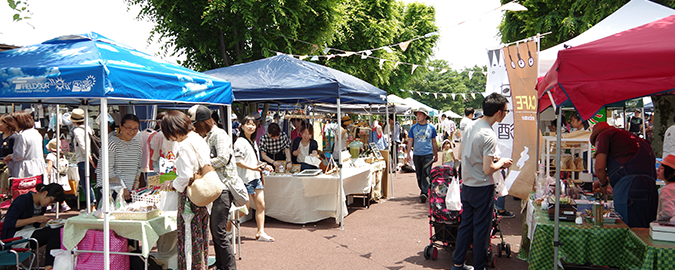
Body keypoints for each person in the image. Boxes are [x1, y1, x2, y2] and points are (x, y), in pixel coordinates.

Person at [452, 93, 513, 270]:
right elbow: (488, 169)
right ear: (499, 112)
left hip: (468, 184)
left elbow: (463, 153)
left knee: (465, 225)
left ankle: (457, 263)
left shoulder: (471, 126)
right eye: (506, 111)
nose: (506, 114)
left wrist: (489, 159)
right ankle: (479, 265)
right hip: (482, 186)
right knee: (481, 230)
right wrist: (501, 163)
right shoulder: (489, 134)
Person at [159, 110, 211, 269]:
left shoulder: (184, 145)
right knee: (200, 240)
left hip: (190, 200)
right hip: (202, 196)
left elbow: (185, 175)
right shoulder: (198, 139)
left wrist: (173, 184)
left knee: (189, 241)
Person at [188, 105, 238, 270]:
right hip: (215, 187)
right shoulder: (208, 136)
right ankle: (221, 264)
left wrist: (203, 167)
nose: (195, 128)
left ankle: (230, 267)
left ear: (204, 122)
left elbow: (223, 158)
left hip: (223, 188)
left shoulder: (219, 134)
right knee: (215, 231)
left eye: (196, 124)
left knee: (219, 232)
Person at [592, 121, 657, 228]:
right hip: (650, 187)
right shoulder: (631, 137)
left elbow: (599, 167)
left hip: (631, 186)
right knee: (644, 232)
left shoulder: (603, 135)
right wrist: (606, 179)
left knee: (628, 230)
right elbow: (631, 165)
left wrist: (603, 184)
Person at [2, 183, 66, 270]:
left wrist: (48, 223)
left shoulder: (41, 206)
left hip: (30, 232)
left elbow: (36, 225)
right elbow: (9, 223)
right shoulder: (23, 200)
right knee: (56, 233)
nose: (50, 204)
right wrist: (35, 219)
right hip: (16, 237)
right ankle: (49, 265)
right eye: (51, 201)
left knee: (60, 230)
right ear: (44, 193)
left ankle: (50, 265)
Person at [234, 115, 275, 242]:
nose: (251, 126)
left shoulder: (252, 141)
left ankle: (260, 232)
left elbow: (255, 160)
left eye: (253, 124)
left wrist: (264, 165)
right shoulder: (240, 142)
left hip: (255, 177)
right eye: (248, 124)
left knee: (261, 205)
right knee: (244, 208)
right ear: (242, 126)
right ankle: (227, 226)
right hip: (245, 179)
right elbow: (237, 161)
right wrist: (253, 168)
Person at [96, 114, 142, 202]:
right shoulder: (111, 143)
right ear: (120, 126)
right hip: (110, 191)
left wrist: (136, 182)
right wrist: (122, 188)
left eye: (135, 128)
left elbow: (138, 167)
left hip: (129, 191)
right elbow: (107, 169)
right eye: (128, 127)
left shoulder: (137, 145)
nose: (132, 131)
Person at [406, 107, 438, 203]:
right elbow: (410, 140)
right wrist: (408, 153)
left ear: (425, 116)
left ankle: (424, 193)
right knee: (419, 174)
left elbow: (434, 142)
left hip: (428, 154)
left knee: (426, 172)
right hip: (417, 154)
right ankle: (424, 188)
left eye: (420, 114)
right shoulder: (413, 128)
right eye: (417, 114)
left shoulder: (431, 128)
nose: (418, 116)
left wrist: (435, 154)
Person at [3, 111, 46, 179]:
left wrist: (10, 156)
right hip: (38, 167)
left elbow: (19, 155)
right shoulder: (36, 132)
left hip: (25, 169)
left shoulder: (22, 136)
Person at [70, 108, 96, 209]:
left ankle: (91, 205)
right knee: (88, 184)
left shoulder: (77, 131)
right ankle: (92, 204)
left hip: (84, 160)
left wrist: (88, 157)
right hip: (91, 159)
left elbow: (82, 146)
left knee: (85, 185)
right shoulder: (88, 128)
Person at [44, 139, 72, 211]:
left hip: (54, 175)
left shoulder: (50, 155)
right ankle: (58, 205)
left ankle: (62, 204)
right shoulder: (62, 155)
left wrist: (47, 174)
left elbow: (50, 165)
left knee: (53, 190)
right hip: (61, 175)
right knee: (58, 191)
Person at [0, 114, 19, 195]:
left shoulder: (14, 137)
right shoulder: (0, 136)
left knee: (4, 188)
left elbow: (17, 153)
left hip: (7, 167)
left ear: (6, 124)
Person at [657, 154, 675, 221]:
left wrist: (657, 219)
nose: (658, 170)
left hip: (668, 228)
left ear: (672, 173)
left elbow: (668, 212)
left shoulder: (667, 190)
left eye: (661, 168)